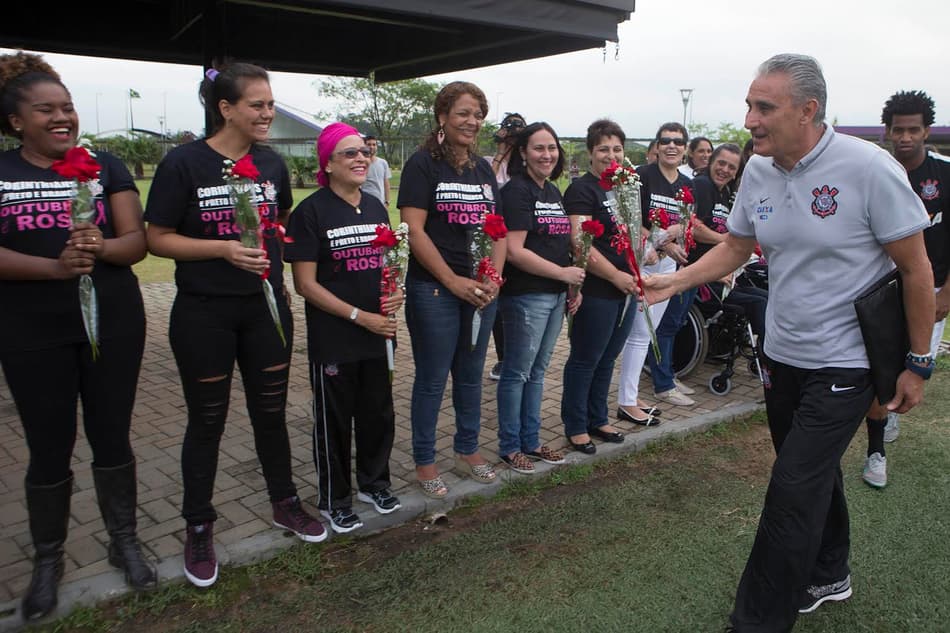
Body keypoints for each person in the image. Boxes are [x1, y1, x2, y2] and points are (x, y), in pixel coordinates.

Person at [644, 53, 934, 633]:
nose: (749, 119)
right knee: (811, 474)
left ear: (809, 110)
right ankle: (830, 571)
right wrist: (674, 280)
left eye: (763, 107)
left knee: (790, 493)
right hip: (782, 354)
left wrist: (918, 363)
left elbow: (916, 270)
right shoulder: (758, 169)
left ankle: (755, 621)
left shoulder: (869, 168)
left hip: (846, 362)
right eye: (749, 104)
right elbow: (736, 247)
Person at [145, 61, 326, 589]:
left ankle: (284, 502)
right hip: (204, 312)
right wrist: (222, 248)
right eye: (258, 105)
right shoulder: (184, 164)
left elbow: (283, 220)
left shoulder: (271, 165)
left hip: (265, 308)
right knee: (208, 421)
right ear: (226, 108)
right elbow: (157, 238)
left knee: (270, 412)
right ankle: (199, 525)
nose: (268, 114)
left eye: (271, 104)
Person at [0, 52, 156, 620]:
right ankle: (48, 561)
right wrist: (54, 269)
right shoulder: (4, 173)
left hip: (113, 320)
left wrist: (100, 249)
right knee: (49, 445)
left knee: (112, 436)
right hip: (30, 328)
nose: (62, 117)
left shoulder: (104, 166)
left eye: (67, 107)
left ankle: (124, 541)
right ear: (17, 121)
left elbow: (135, 242)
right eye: (46, 110)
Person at [285, 123, 404, 532]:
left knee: (377, 414)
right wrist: (358, 316)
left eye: (364, 153)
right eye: (349, 153)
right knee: (335, 421)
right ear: (328, 163)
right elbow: (305, 284)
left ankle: (374, 483)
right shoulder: (310, 213)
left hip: (379, 332)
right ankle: (334, 498)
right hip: (336, 337)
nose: (360, 159)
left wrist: (395, 294)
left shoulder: (374, 207)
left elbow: (388, 265)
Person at [398, 81, 505, 498]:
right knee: (431, 377)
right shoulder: (423, 165)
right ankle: (425, 461)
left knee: (470, 374)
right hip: (436, 292)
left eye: (478, 114)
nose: (472, 121)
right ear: (442, 116)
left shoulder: (482, 169)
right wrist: (451, 280)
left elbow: (496, 230)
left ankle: (467, 450)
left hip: (480, 292)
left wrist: (493, 276)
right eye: (463, 112)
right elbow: (413, 230)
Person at [860, 90, 950, 488]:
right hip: (878, 291)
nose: (906, 137)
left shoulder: (944, 175)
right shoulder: (876, 171)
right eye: (899, 130)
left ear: (927, 130)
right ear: (888, 132)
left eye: (914, 130)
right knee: (881, 372)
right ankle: (876, 451)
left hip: (929, 292)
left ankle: (888, 411)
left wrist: (945, 295)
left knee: (911, 369)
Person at [496, 122, 581, 473]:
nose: (547, 155)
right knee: (517, 372)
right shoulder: (517, 191)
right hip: (525, 296)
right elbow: (514, 251)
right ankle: (510, 445)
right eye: (538, 148)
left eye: (552, 148)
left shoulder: (551, 192)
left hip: (554, 296)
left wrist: (569, 286)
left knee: (538, 371)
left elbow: (560, 244)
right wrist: (562, 274)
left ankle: (531, 441)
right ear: (523, 153)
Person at [560, 119, 638, 455]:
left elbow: (635, 233)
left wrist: (639, 264)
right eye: (603, 149)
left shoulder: (626, 186)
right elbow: (580, 243)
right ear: (591, 152)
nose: (611, 155)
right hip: (597, 289)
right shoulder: (582, 189)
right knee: (585, 358)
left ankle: (598, 417)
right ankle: (576, 425)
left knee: (608, 358)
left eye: (617, 148)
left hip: (627, 289)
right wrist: (614, 276)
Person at [641, 122, 699, 408]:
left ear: (685, 149)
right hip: (646, 264)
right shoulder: (643, 177)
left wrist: (679, 235)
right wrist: (663, 242)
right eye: (666, 141)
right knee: (648, 329)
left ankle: (667, 376)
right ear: (657, 146)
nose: (672, 146)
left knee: (669, 324)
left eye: (678, 141)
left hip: (672, 266)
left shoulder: (687, 184)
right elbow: (632, 223)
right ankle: (662, 384)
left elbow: (688, 223)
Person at [689, 143, 768, 344]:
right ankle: (766, 355)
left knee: (766, 295)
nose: (725, 170)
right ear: (711, 163)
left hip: (721, 273)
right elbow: (694, 227)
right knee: (758, 302)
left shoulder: (725, 193)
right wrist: (726, 242)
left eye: (731, 167)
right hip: (702, 276)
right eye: (721, 163)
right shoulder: (703, 185)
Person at [484, 112, 525, 381]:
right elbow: (485, 185)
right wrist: (500, 153)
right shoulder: (489, 163)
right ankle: (502, 358)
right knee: (496, 307)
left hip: (518, 238)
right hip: (492, 237)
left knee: (516, 303)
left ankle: (516, 356)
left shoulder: (523, 168)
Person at [362, 135, 391, 208]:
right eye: (369, 144)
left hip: (380, 203)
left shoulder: (383, 163)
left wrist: (387, 202)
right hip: (364, 203)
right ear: (364, 146)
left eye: (374, 144)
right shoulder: (361, 163)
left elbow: (386, 183)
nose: (371, 147)